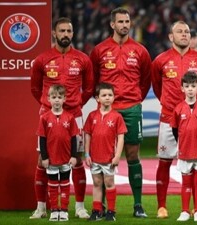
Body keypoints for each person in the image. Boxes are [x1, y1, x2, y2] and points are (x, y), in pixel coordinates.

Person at [89, 7, 151, 218]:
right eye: (121, 22)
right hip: (109, 109)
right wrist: (104, 102)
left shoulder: (140, 50)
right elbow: (93, 80)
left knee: (133, 155)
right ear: (112, 24)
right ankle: (101, 207)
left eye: (127, 21)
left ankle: (138, 205)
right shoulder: (99, 50)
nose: (125, 25)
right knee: (104, 158)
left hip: (132, 107)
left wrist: (134, 99)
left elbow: (145, 81)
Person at [31, 17, 94, 219]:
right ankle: (41, 208)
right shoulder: (42, 59)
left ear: (73, 34)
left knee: (77, 161)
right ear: (54, 33)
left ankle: (80, 207)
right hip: (48, 115)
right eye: (62, 31)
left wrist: (75, 104)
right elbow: (35, 88)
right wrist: (48, 107)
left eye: (69, 31)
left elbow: (90, 88)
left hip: (74, 116)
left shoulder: (83, 59)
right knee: (43, 160)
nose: (65, 34)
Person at [151, 21, 197, 219]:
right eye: (180, 32)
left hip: (193, 121)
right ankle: (162, 206)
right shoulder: (160, 60)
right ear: (170, 37)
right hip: (169, 118)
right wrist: (172, 107)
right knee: (165, 161)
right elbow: (158, 88)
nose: (184, 35)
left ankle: (196, 208)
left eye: (186, 32)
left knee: (194, 164)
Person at [170, 72, 197, 222]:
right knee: (186, 182)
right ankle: (185, 211)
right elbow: (175, 130)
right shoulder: (178, 108)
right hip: (185, 151)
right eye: (187, 86)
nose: (190, 89)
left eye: (193, 86)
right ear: (182, 88)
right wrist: (183, 144)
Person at [84, 82, 127, 221]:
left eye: (110, 95)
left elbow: (120, 138)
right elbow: (87, 135)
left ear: (114, 97)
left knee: (109, 183)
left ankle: (111, 212)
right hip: (95, 157)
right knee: (97, 183)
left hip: (109, 158)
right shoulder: (92, 116)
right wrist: (87, 154)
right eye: (104, 95)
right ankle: (96, 211)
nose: (107, 97)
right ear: (97, 98)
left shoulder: (117, 117)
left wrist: (117, 156)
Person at [37, 84, 79, 222]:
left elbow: (74, 138)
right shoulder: (44, 118)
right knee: (53, 184)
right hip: (51, 159)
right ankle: (54, 210)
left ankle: (64, 210)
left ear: (64, 99)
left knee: (65, 184)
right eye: (53, 97)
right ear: (48, 99)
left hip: (66, 159)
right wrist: (44, 157)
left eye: (59, 97)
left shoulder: (70, 117)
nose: (56, 100)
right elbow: (42, 139)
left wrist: (74, 156)